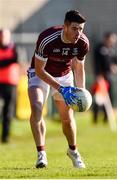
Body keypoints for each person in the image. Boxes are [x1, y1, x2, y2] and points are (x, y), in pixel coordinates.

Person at [27, 10, 89, 169]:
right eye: (75, 28)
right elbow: (40, 70)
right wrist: (61, 89)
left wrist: (80, 91)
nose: (78, 33)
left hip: (64, 75)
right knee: (36, 107)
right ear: (65, 26)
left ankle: (73, 151)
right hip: (41, 73)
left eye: (81, 29)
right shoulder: (47, 39)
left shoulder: (83, 42)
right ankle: (41, 154)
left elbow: (79, 66)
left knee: (67, 118)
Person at [91, 32, 117, 123]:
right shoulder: (99, 48)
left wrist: (115, 67)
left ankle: (106, 118)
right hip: (101, 77)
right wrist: (98, 76)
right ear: (107, 38)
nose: (114, 41)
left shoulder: (112, 49)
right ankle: (95, 118)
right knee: (98, 98)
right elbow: (96, 63)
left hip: (109, 77)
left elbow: (116, 61)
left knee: (110, 97)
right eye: (112, 39)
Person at [0, 29, 19, 143]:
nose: (3, 38)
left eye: (5, 36)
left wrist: (3, 63)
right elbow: (11, 60)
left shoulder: (13, 47)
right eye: (1, 36)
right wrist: (7, 62)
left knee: (8, 111)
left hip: (11, 83)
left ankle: (5, 136)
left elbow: (15, 59)